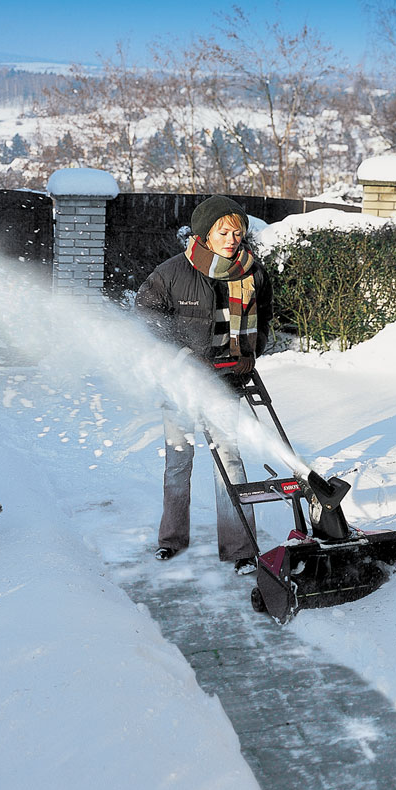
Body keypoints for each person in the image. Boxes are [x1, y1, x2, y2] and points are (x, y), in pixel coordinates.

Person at [135, 195, 273, 571]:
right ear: (205, 233)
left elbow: (264, 319)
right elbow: (145, 318)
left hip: (228, 380)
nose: (232, 239)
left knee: (230, 460)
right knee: (179, 461)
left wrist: (251, 352)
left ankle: (241, 549)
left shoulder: (252, 272)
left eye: (237, 232)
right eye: (223, 231)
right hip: (180, 383)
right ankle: (171, 540)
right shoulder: (172, 273)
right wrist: (179, 354)